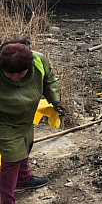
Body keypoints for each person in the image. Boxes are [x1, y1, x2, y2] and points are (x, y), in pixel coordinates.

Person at [0, 38, 66, 204]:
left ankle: (23, 179)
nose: (15, 77)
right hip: (3, 121)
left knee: (27, 145)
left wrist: (55, 101)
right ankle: (6, 199)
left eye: (20, 73)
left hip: (26, 117)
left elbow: (49, 80)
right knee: (12, 159)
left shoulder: (38, 61)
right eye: (9, 73)